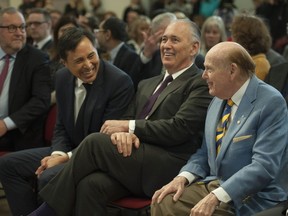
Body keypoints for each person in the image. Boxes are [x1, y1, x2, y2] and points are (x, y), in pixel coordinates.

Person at [28, 18, 212, 216]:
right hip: (132, 160)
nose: (166, 45)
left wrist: (130, 128)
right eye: (164, 39)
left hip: (167, 165)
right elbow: (124, 120)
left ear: (194, 48)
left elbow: (179, 128)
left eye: (174, 40)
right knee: (90, 185)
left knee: (95, 142)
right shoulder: (147, 84)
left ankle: (45, 212)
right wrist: (121, 134)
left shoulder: (199, 82)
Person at [0, 27, 134, 216]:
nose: (88, 65)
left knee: (49, 176)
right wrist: (57, 153)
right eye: (79, 60)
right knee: (8, 165)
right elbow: (61, 126)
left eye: (91, 56)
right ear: (65, 63)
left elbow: (103, 141)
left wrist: (65, 158)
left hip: (96, 158)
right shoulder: (62, 78)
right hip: (66, 150)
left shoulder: (119, 82)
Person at [151, 41, 288, 216]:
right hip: (215, 185)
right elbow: (203, 153)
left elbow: (264, 166)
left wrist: (216, 197)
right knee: (164, 200)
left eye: (209, 69)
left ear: (232, 70)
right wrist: (182, 177)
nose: (203, 76)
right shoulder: (217, 100)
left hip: (253, 195)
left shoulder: (270, 102)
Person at [0, 7, 51, 151]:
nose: (19, 33)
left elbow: (41, 101)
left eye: (22, 27)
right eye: (12, 28)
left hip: (17, 134)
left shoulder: (37, 59)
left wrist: (6, 124)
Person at [231, 14, 271, 81]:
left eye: (233, 33)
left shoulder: (260, 64)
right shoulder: (244, 61)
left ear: (242, 37)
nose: (231, 37)